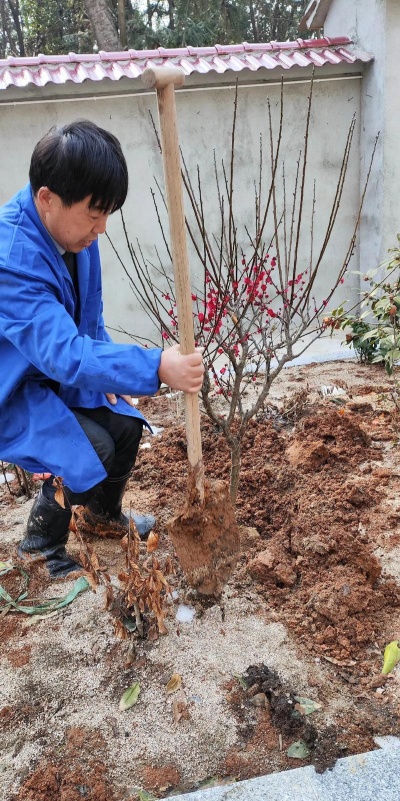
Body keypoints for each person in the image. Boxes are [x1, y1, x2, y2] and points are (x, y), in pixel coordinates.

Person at [0, 120, 204, 579]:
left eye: (107, 213)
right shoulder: (11, 258)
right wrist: (154, 365)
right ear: (47, 198)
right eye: (94, 214)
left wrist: (115, 377)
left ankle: (100, 516)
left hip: (54, 378)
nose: (102, 228)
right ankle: (39, 547)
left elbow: (89, 321)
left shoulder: (76, 237)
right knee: (89, 450)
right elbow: (65, 354)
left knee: (127, 427)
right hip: (14, 389)